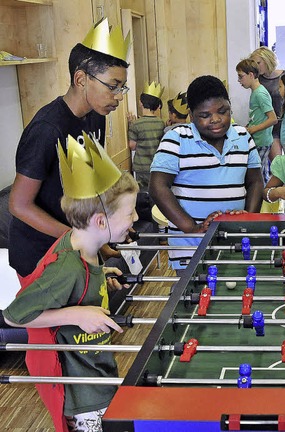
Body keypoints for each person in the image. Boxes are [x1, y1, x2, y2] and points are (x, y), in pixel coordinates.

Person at [4, 132, 138, 432]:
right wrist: (77, 314)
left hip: (97, 369)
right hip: (83, 392)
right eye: (130, 212)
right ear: (101, 222)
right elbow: (14, 315)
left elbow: (74, 289)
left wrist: (99, 279)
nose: (135, 217)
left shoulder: (85, 247)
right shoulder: (67, 267)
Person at [8, 18, 130, 281]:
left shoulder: (97, 116)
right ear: (81, 79)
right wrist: (77, 237)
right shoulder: (47, 129)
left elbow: (90, 180)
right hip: (40, 253)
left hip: (74, 244)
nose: (119, 96)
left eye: (122, 87)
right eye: (113, 86)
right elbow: (18, 205)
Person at [149, 75, 263, 271]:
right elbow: (158, 187)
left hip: (234, 241)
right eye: (205, 115)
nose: (216, 119)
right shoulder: (176, 139)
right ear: (192, 117)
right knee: (192, 298)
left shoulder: (243, 137)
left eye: (222, 111)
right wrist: (192, 227)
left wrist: (248, 219)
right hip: (190, 247)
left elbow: (255, 182)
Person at [236, 58, 278, 185]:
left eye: (241, 76)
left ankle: (265, 200)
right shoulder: (255, 92)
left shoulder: (260, 93)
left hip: (262, 140)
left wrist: (253, 129)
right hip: (258, 139)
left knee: (259, 174)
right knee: (259, 171)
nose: (239, 81)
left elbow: (273, 119)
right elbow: (257, 116)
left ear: (251, 75)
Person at [251, 47, 285, 161]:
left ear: (267, 60)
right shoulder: (258, 80)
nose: (256, 66)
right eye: (254, 63)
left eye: (258, 62)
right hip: (270, 126)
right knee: (277, 163)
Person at [128, 82, 165, 192]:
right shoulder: (161, 123)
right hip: (156, 166)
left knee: (143, 193)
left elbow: (132, 146)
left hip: (141, 167)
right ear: (157, 106)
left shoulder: (136, 124)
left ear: (141, 103)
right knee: (156, 192)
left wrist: (130, 124)